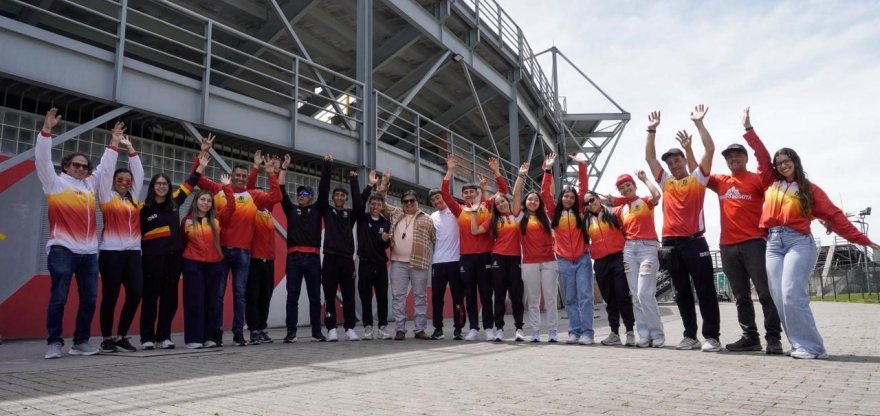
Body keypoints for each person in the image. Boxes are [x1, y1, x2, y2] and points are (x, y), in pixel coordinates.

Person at [761, 148, 878, 359]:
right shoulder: (771, 183)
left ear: (795, 161)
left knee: (791, 294)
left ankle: (814, 348)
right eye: (778, 163)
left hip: (798, 242)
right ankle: (799, 344)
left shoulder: (809, 189)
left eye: (787, 161)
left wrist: (862, 239)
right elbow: (760, 155)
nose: (783, 165)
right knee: (779, 298)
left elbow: (834, 215)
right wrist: (749, 130)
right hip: (773, 244)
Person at [37, 108, 115, 359]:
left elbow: (103, 169)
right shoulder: (55, 184)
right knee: (59, 298)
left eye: (84, 166)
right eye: (76, 165)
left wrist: (113, 144)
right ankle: (54, 343)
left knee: (90, 299)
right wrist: (46, 132)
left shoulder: (90, 186)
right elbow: (42, 160)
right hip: (62, 250)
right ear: (66, 167)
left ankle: (80, 342)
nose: (81, 169)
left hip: (89, 254)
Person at [193, 135, 282, 347]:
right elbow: (195, 178)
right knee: (219, 294)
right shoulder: (219, 190)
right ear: (231, 177)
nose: (241, 178)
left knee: (240, 294)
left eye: (244, 175)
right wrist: (202, 152)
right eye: (238, 175)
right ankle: (215, 333)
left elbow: (275, 197)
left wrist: (270, 174)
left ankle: (238, 334)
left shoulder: (253, 195)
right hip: (221, 251)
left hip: (244, 253)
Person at [645, 106, 721, 352]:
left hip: (694, 241)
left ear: (684, 161)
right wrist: (651, 130)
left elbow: (710, 149)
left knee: (705, 290)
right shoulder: (666, 181)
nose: (674, 164)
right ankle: (690, 336)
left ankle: (712, 337)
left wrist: (699, 124)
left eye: (677, 160)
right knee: (681, 292)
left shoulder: (698, 178)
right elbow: (650, 158)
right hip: (670, 245)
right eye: (670, 162)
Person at [706, 107, 782, 354]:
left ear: (745, 158)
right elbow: (699, 170)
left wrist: (749, 129)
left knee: (765, 292)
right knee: (740, 295)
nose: (733, 158)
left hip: (754, 243)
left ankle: (773, 338)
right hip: (728, 246)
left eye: (738, 154)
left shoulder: (757, 179)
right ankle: (750, 336)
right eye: (729, 156)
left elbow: (765, 158)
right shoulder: (720, 182)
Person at [440, 157, 508, 341]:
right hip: (466, 258)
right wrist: (450, 170)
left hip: (486, 256)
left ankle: (488, 328)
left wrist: (496, 171)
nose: (469, 195)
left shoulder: (486, 206)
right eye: (466, 193)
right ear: (462, 196)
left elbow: (503, 191)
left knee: (486, 293)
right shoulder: (459, 210)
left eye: (472, 192)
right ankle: (473, 328)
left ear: (477, 194)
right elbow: (444, 193)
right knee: (469, 293)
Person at [140, 167, 203, 351]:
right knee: (150, 298)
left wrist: (200, 166)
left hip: (174, 260)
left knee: (170, 300)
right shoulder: (142, 209)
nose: (162, 186)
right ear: (153, 186)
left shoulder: (175, 202)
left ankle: (164, 337)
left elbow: (189, 185)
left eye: (165, 183)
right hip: (151, 260)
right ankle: (147, 338)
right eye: (158, 183)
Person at [97, 122, 144, 353]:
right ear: (115, 182)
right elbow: (105, 172)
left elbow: (140, 174)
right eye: (121, 180)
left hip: (133, 253)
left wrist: (131, 148)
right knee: (111, 296)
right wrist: (114, 144)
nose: (125, 183)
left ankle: (122, 335)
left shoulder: (134, 199)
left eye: (128, 180)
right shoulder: (106, 196)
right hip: (111, 253)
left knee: (136, 292)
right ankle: (107, 337)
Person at [605, 170, 666, 348]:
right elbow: (600, 208)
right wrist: (614, 200)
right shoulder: (620, 210)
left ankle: (658, 334)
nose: (625, 189)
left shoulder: (645, 201)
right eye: (621, 188)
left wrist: (645, 178)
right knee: (635, 296)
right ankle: (644, 334)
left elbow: (657, 195)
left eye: (628, 185)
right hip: (629, 250)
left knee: (644, 293)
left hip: (648, 248)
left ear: (634, 185)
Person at [180, 157, 236, 349]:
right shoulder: (186, 221)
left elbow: (231, 206)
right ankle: (193, 339)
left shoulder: (218, 219)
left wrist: (227, 187)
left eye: (208, 201)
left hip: (215, 265)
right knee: (194, 302)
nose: (205, 203)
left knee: (212, 301)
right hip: (193, 265)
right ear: (196, 201)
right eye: (202, 200)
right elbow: (182, 243)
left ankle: (209, 338)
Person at [377, 169, 436, 340]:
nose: (409, 204)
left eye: (412, 201)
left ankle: (419, 329)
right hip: (398, 262)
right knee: (398, 296)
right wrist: (384, 183)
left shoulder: (427, 219)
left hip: (419, 263)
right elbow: (381, 200)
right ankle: (400, 329)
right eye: (405, 201)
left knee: (420, 297)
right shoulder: (396, 213)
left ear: (417, 202)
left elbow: (434, 239)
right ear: (402, 203)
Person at [470, 163, 527, 342]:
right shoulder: (493, 220)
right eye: (497, 203)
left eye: (503, 201)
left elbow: (516, 193)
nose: (501, 204)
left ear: (507, 202)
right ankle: (500, 329)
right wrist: (472, 213)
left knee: (516, 294)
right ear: (495, 207)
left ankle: (519, 328)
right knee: (500, 295)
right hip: (498, 259)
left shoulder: (516, 215)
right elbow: (475, 231)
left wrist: (521, 175)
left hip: (516, 258)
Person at [541, 153, 594, 345]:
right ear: (561, 197)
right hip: (563, 260)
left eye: (572, 197)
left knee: (586, 296)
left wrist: (582, 166)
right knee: (571, 298)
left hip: (582, 258)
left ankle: (588, 333)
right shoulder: (553, 212)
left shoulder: (580, 210)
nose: (569, 199)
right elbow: (545, 194)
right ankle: (574, 332)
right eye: (566, 196)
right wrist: (547, 170)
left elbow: (583, 189)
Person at [317, 155, 363, 342]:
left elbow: (360, 205)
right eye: (336, 195)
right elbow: (322, 191)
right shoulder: (327, 211)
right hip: (329, 257)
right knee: (329, 294)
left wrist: (354, 181)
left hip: (346, 260)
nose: (339, 197)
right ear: (333, 198)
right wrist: (327, 166)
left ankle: (350, 328)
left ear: (345, 199)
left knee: (349, 295)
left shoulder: (350, 214)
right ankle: (331, 329)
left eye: (342, 195)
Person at [244, 152, 288, 345]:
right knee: (252, 297)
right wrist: (256, 168)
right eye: (259, 194)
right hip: (253, 259)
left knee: (265, 297)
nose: (263, 197)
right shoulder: (251, 208)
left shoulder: (268, 213)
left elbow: (276, 194)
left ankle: (262, 328)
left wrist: (273, 174)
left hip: (268, 260)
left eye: (265, 194)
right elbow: (249, 188)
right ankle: (253, 329)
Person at [279, 167, 325, 342]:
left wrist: (326, 165)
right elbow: (282, 189)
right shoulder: (291, 210)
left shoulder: (317, 210)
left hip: (313, 259)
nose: (301, 195)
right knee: (292, 297)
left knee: (315, 297)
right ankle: (291, 332)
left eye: (305, 193)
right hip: (294, 259)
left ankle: (316, 332)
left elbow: (324, 188)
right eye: (299, 193)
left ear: (311, 197)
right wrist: (283, 168)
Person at [584, 191, 635, 346]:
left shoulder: (613, 213)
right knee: (609, 298)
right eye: (586, 203)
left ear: (599, 199)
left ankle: (630, 332)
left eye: (591, 200)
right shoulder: (585, 221)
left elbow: (630, 203)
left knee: (622, 295)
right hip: (600, 262)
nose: (590, 204)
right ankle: (614, 333)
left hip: (618, 257)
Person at [519, 184, 559, 343]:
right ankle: (535, 331)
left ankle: (553, 331)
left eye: (536, 199)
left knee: (550, 298)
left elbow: (549, 193)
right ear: (525, 202)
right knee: (533, 300)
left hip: (549, 261)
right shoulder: (520, 218)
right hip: (529, 263)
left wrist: (547, 172)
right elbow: (515, 197)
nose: (533, 201)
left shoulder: (548, 217)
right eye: (530, 199)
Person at [356, 171, 392, 340]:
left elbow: (385, 245)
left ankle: (383, 327)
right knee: (365, 296)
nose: (376, 206)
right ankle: (368, 326)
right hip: (364, 264)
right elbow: (359, 202)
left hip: (380, 265)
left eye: (379, 204)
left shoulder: (386, 222)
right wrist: (370, 185)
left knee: (382, 297)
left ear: (382, 207)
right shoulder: (362, 218)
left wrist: (386, 241)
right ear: (370, 205)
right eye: (373, 204)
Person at [428, 186, 464, 340]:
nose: (436, 201)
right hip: (438, 262)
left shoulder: (456, 211)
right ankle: (438, 329)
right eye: (433, 200)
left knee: (458, 297)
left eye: (438, 197)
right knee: (437, 297)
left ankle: (458, 329)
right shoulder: (432, 216)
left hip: (456, 261)